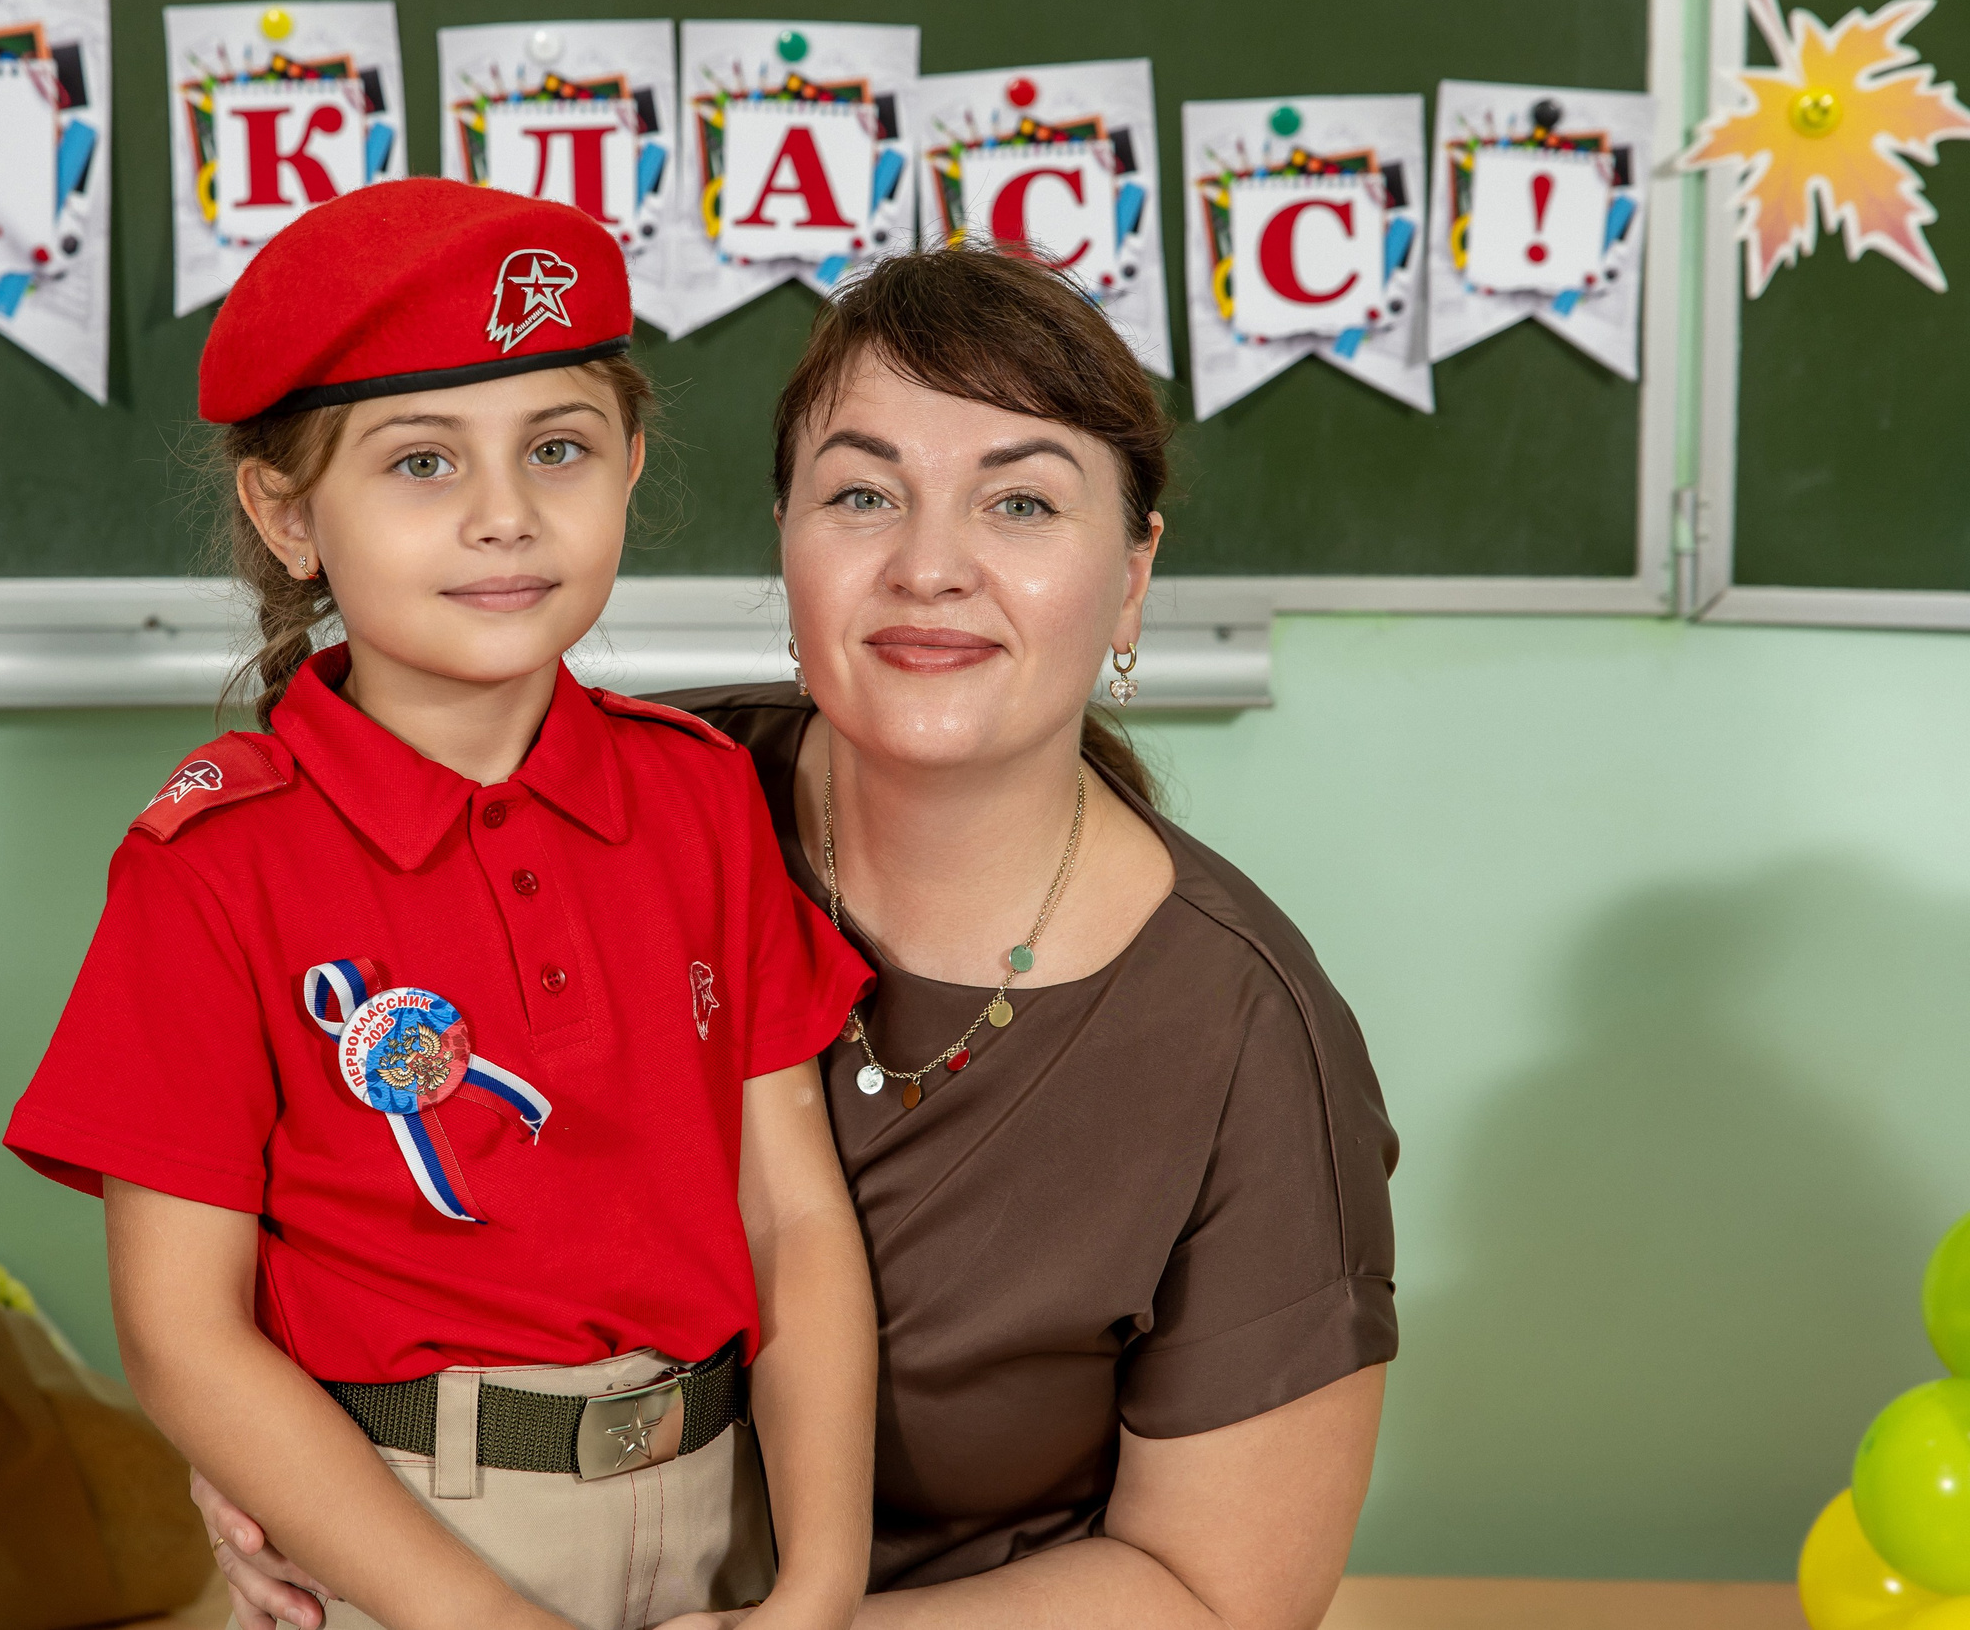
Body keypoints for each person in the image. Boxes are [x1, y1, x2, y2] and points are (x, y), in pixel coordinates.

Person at [194, 244, 1399, 1630]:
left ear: (1131, 580)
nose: (931, 567)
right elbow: (314, 1135)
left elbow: (1220, 1591)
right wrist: (286, 1469)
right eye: (864, 494)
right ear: (785, 538)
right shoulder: (612, 792)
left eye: (1019, 502)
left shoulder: (1247, 1038)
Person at [4, 179, 880, 1630]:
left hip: (725, 1510)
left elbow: (792, 1212)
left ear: (632, 464)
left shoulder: (703, 796)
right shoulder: (213, 863)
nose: (505, 517)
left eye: (558, 448)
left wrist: (822, 1582)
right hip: (405, 1547)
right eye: (422, 463)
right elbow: (181, 1335)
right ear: (288, 515)